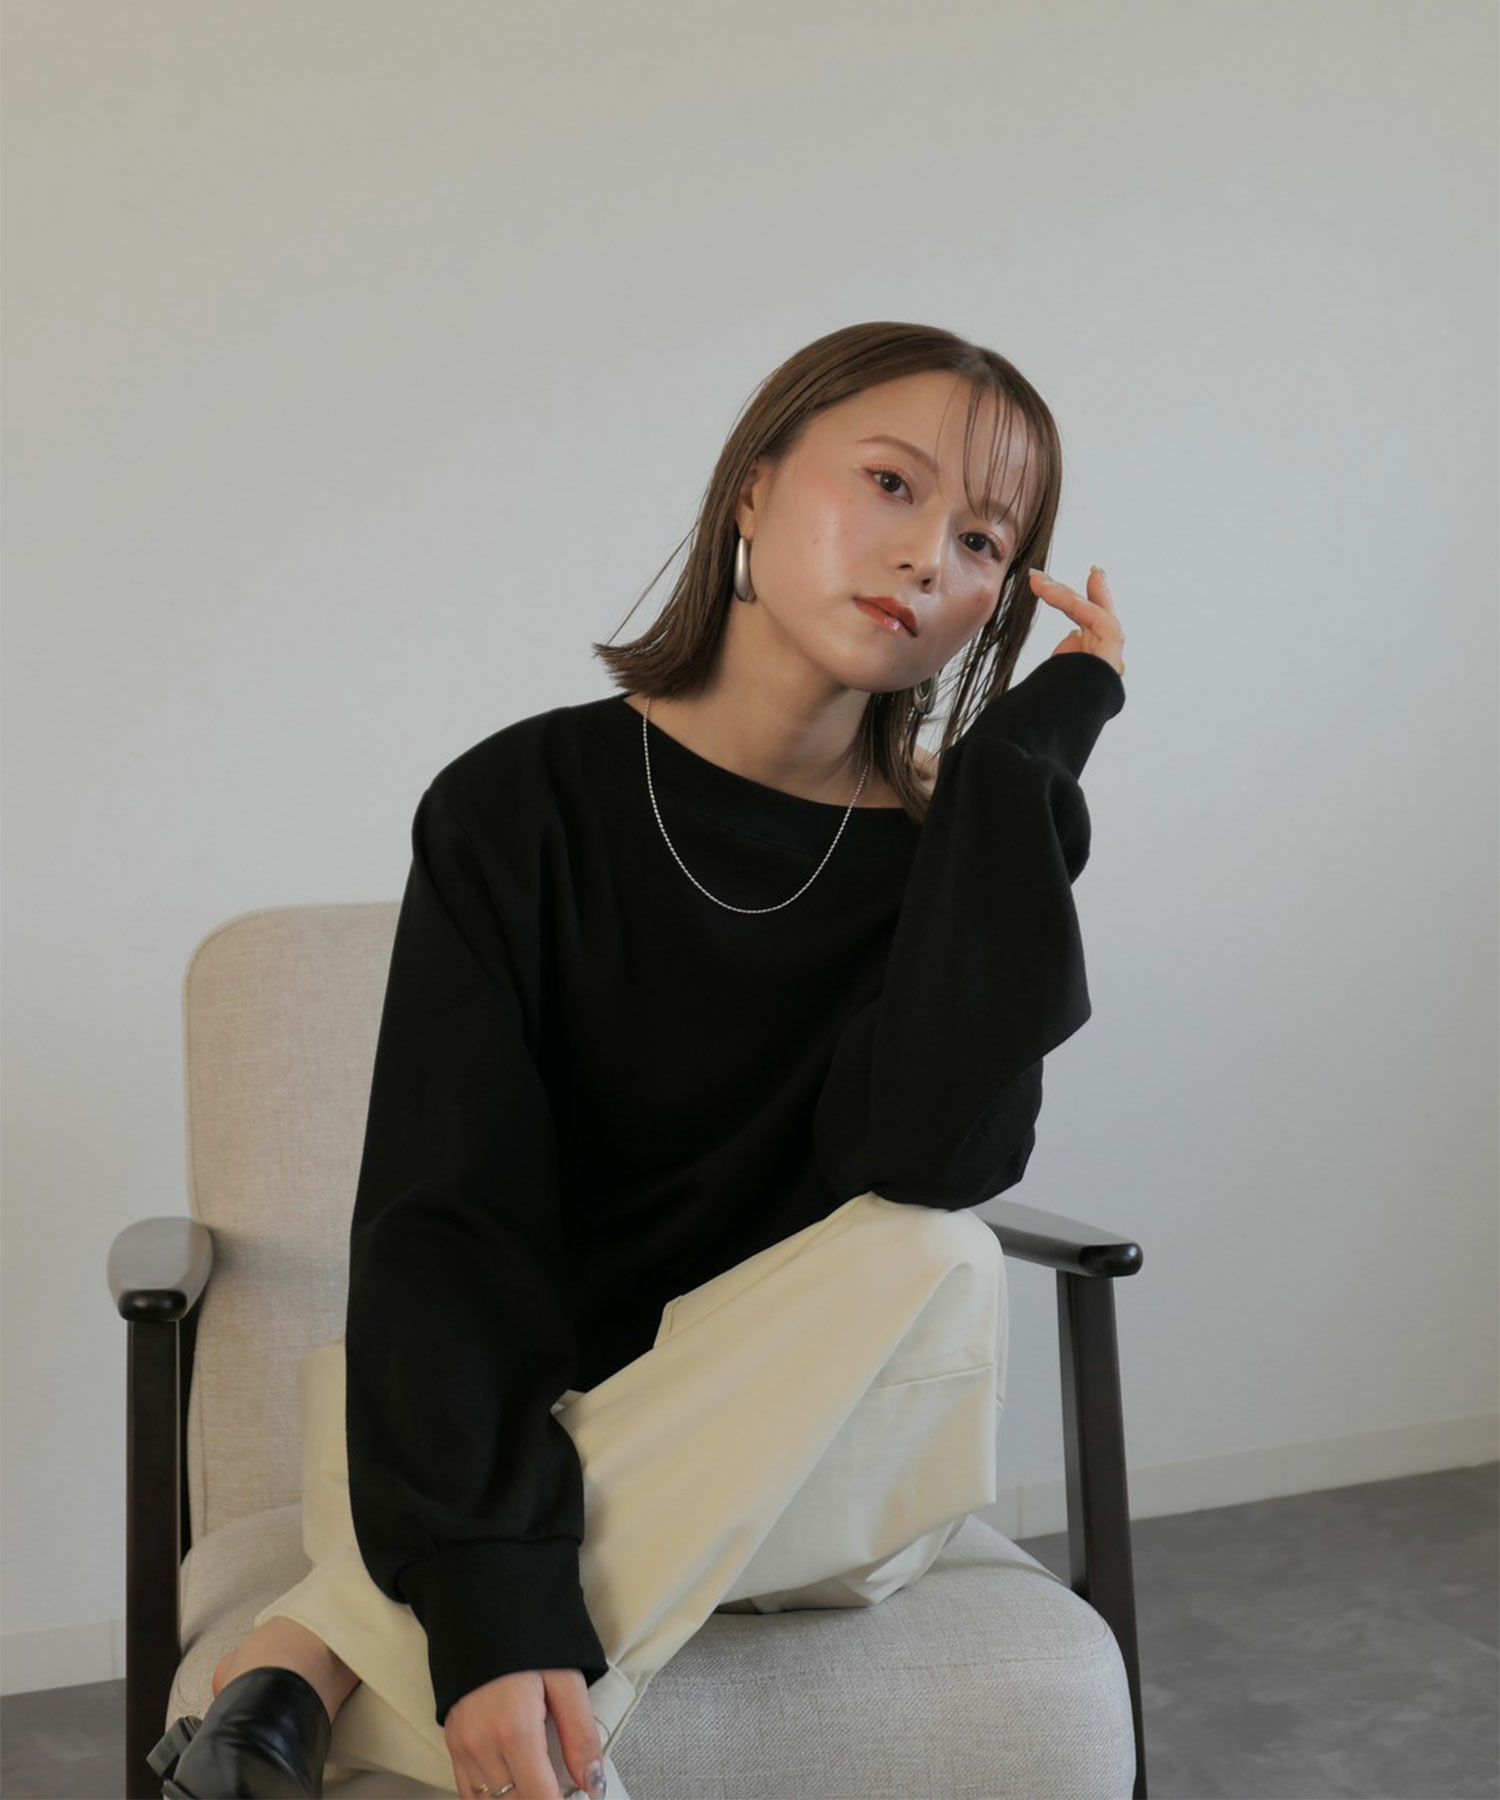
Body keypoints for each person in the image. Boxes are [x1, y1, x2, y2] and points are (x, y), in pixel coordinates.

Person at [147, 321, 1127, 1800]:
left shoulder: (961, 849)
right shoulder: (517, 807)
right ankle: (525, 1708)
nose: (929, 556)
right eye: (891, 483)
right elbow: (447, 1213)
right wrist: (494, 1551)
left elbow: (932, 1155)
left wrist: (1021, 764)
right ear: (755, 486)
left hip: (827, 1477)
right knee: (423, 1375)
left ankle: (316, 1643)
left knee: (936, 1251)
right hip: (551, 1425)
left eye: (985, 541)